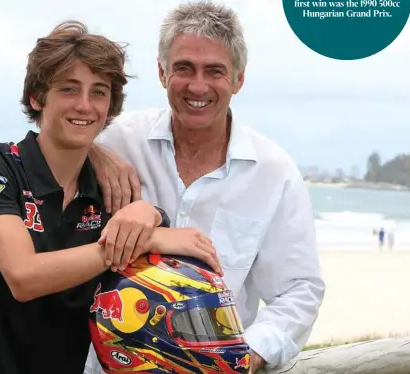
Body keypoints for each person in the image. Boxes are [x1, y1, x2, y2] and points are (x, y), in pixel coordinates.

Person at [0, 21, 220, 374]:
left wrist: (150, 216)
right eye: (69, 89)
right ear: (38, 97)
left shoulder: (110, 191)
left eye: (98, 92)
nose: (85, 105)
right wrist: (146, 238)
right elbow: (23, 277)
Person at [83, 1, 326, 372]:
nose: (198, 86)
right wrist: (93, 150)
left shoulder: (274, 172)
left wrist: (245, 358)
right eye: (184, 68)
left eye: (215, 71)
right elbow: (44, 151)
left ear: (238, 80)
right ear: (162, 73)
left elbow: (299, 290)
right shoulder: (118, 142)